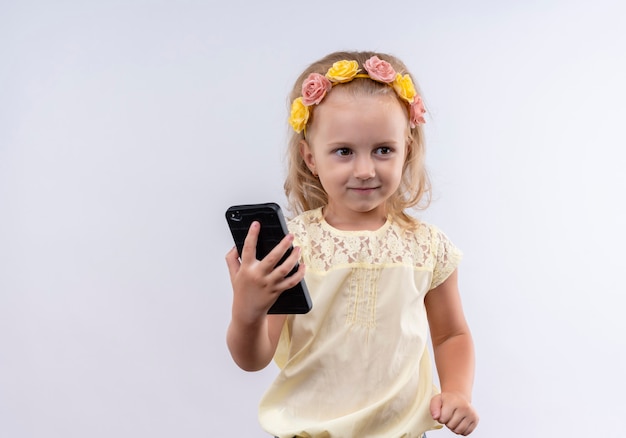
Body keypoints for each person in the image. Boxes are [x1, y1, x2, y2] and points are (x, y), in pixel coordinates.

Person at [225, 50, 479, 437]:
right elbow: (253, 358)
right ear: (311, 157)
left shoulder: (428, 247)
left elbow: (451, 334)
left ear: (406, 149)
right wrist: (247, 312)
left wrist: (458, 392)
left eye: (383, 150)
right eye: (344, 151)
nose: (365, 170)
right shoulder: (294, 248)